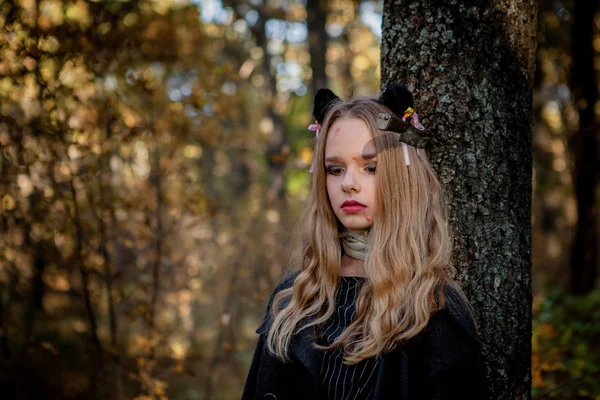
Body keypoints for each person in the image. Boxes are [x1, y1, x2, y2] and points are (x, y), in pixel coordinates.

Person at [241, 84, 488, 400]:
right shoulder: (294, 297)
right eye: (335, 169)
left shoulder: (433, 308)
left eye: (370, 167)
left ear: (401, 176)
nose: (348, 184)